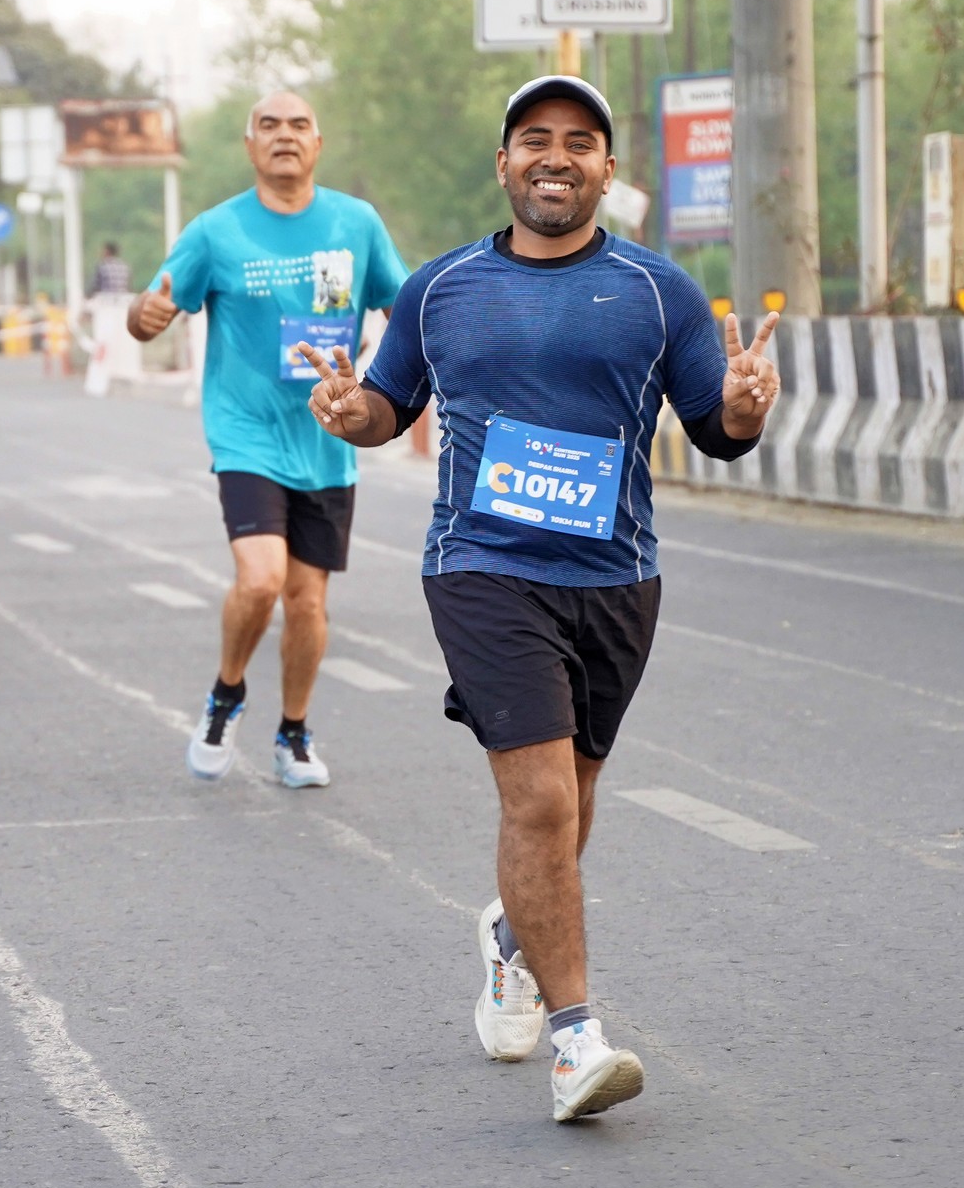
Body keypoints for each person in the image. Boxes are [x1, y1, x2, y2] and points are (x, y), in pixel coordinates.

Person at [297, 74, 781, 1124]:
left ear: (607, 169)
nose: (554, 157)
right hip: (482, 567)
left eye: (578, 142)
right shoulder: (441, 287)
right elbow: (388, 404)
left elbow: (717, 430)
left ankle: (512, 936)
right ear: (504, 163)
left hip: (616, 578)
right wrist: (347, 411)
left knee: (574, 801)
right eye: (533, 139)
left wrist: (745, 408)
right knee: (544, 804)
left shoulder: (659, 291)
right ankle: (577, 1042)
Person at [128, 90, 405, 787]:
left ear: (318, 144)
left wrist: (390, 390)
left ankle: (293, 734)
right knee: (260, 580)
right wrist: (143, 314)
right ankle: (226, 694)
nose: (286, 135)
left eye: (299, 124)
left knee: (307, 601)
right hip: (245, 432)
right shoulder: (216, 231)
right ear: (250, 146)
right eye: (270, 126)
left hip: (327, 435)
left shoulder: (356, 223)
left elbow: (403, 310)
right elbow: (151, 308)